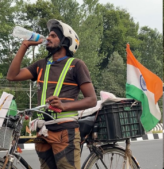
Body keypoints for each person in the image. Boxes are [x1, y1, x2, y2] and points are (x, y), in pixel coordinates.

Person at [7, 19, 97, 169]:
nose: (48, 38)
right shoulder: (41, 65)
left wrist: (63, 105)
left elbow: (92, 100)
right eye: (49, 35)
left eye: (54, 35)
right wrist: (25, 45)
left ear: (65, 41)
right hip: (44, 131)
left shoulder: (76, 65)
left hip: (65, 132)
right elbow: (12, 76)